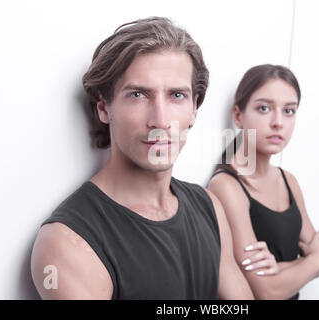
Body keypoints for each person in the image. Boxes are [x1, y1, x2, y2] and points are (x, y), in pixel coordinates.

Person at [30, 17, 278, 300]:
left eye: (176, 95)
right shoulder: (67, 242)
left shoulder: (209, 206)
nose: (161, 120)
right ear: (103, 106)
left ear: (194, 107)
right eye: (138, 94)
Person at [207, 64, 319, 300]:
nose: (278, 122)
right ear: (238, 115)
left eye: (289, 111)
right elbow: (265, 291)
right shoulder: (226, 186)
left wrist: (285, 269)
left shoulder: (289, 181)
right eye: (264, 108)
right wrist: (315, 259)